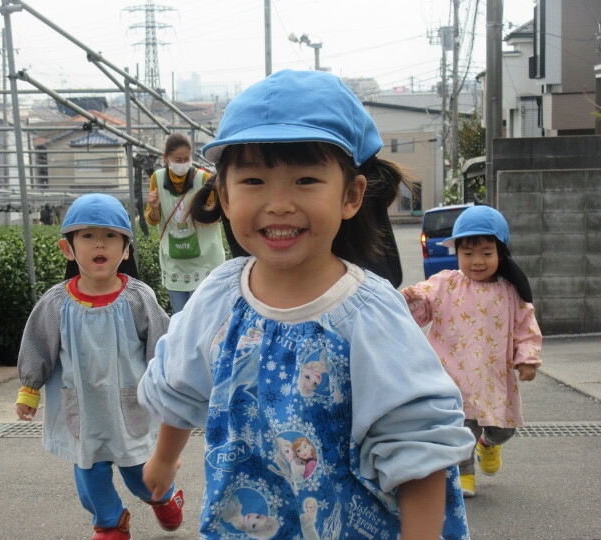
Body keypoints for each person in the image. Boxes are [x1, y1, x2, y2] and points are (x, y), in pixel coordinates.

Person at [138, 69, 476, 539]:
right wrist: (164, 458)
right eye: (254, 180)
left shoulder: (368, 312)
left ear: (351, 196)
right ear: (225, 197)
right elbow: (182, 380)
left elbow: (417, 444)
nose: (278, 203)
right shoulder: (219, 296)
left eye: (305, 180)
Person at [14, 193, 184, 540]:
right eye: (87, 236)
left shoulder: (138, 298)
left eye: (110, 236)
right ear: (68, 248)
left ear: (126, 249)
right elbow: (38, 344)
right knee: (89, 471)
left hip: (130, 405)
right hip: (84, 407)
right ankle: (109, 522)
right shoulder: (56, 303)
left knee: (140, 471)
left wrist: (170, 386)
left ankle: (162, 496)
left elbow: (162, 344)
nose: (99, 244)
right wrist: (29, 388)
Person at [401, 205, 542, 498]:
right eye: (468, 253)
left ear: (500, 253)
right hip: (452, 376)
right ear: (457, 253)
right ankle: (464, 475)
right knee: (462, 428)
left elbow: (526, 327)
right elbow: (420, 312)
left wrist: (527, 358)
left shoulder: (510, 291)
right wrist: (411, 299)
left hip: (493, 378)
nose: (477, 261)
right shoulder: (445, 284)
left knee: (504, 429)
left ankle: (488, 444)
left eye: (486, 253)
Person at [144, 133, 226, 313]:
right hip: (175, 262)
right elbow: (152, 219)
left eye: (186, 159)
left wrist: (202, 210)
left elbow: (217, 216)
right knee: (180, 315)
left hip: (204, 260)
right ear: (166, 158)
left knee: (203, 314)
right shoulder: (157, 179)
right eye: (177, 160)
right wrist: (154, 207)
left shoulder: (203, 178)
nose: (182, 164)